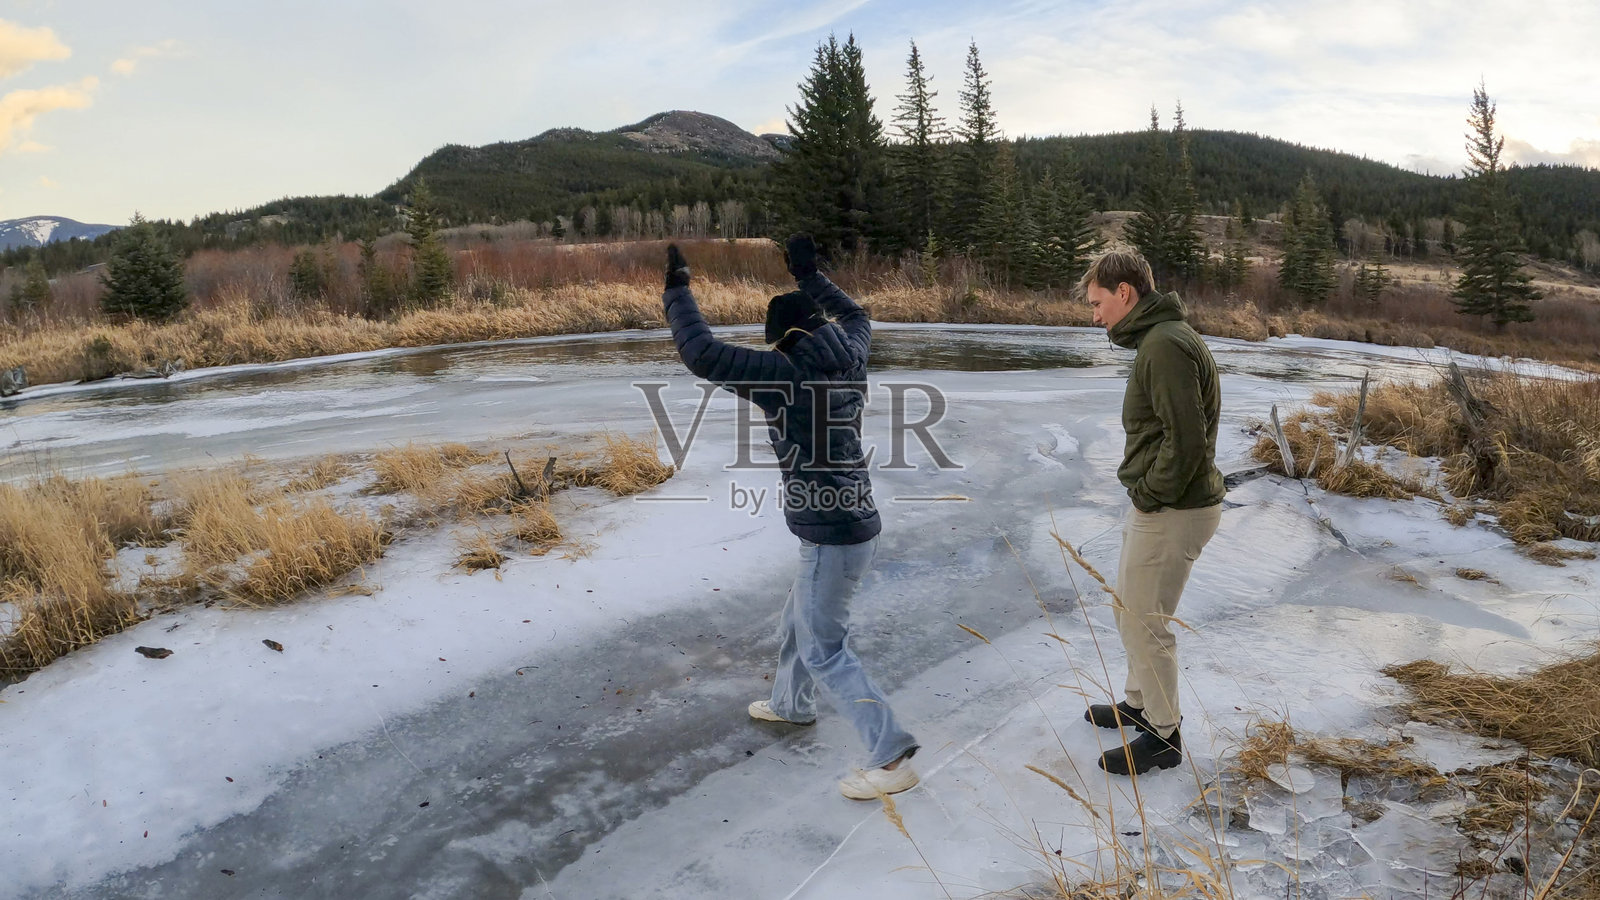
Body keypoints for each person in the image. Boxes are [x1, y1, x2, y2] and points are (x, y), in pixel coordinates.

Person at [661, 235, 920, 799]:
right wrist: (809, 274)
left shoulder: (783, 377)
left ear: (781, 339)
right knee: (796, 625)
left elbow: (701, 353)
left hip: (833, 536)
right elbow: (858, 315)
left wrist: (678, 290)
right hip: (851, 525)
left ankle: (891, 756)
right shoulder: (851, 352)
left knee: (824, 649)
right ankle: (790, 705)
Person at [1078, 249, 1225, 776]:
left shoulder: (1163, 345)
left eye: (1097, 303)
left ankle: (1163, 735)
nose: (1095, 315)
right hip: (1167, 503)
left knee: (1145, 621)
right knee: (1129, 610)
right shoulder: (1161, 338)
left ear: (1125, 292)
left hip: (1173, 507)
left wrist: (1148, 493)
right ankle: (1140, 705)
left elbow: (1185, 440)